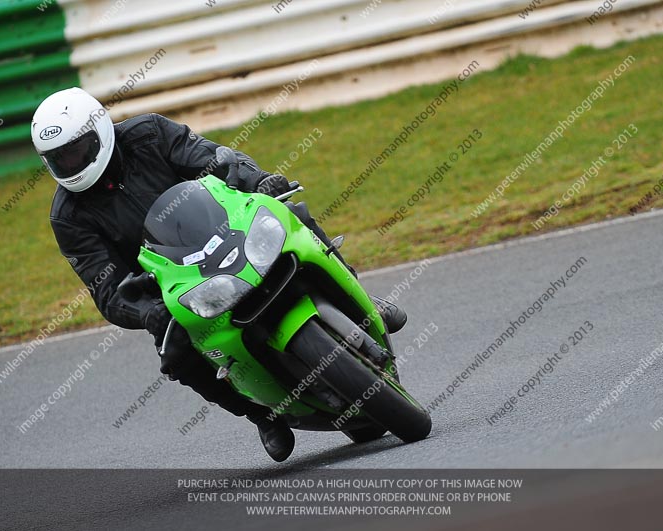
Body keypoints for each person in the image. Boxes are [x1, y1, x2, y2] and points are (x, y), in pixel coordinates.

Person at [32, 87, 407, 462]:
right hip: (174, 283)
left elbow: (214, 160)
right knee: (176, 355)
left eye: (76, 150)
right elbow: (107, 290)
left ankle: (359, 293)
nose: (71, 162)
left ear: (100, 132)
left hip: (230, 230)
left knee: (295, 216)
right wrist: (147, 311)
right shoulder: (68, 216)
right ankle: (262, 414)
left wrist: (257, 181)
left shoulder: (149, 133)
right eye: (59, 158)